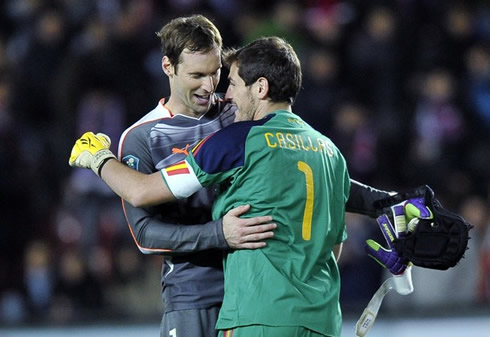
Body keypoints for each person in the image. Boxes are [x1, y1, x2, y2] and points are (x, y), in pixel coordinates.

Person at [69, 15, 415, 337]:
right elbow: (145, 234)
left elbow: (301, 172)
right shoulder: (143, 137)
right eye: (196, 76)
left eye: (216, 73)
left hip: (258, 288)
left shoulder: (242, 114)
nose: (210, 87)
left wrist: (388, 203)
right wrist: (219, 234)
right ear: (168, 67)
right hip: (195, 295)